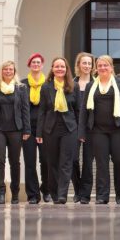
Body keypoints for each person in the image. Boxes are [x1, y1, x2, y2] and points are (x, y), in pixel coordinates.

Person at [78, 55, 120, 204]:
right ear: (96, 68)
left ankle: (119, 193)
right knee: (101, 163)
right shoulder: (91, 86)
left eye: (106, 65)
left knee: (119, 161)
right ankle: (102, 196)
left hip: (118, 130)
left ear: (111, 67)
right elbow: (84, 110)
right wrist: (82, 131)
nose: (103, 68)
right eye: (100, 65)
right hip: (97, 131)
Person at [0, 61, 31, 204]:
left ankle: (15, 193)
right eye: (5, 69)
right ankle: (1, 192)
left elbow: (25, 110)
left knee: (15, 162)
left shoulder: (21, 88)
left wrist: (27, 129)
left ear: (14, 71)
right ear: (1, 72)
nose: (8, 71)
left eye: (11, 69)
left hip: (16, 129)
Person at [36, 57, 82, 204]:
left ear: (66, 69)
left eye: (62, 66)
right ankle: (54, 193)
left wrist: (80, 131)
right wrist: (38, 132)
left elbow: (78, 111)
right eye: (57, 66)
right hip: (50, 129)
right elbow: (42, 111)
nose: (60, 69)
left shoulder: (74, 86)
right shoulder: (46, 87)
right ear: (52, 69)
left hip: (69, 129)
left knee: (66, 162)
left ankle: (63, 194)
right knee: (52, 162)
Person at [21, 53, 49, 204]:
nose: (36, 64)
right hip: (28, 129)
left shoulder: (48, 84)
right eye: (33, 62)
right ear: (29, 65)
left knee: (46, 161)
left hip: (45, 129)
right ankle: (32, 194)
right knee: (30, 162)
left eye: (38, 62)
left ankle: (46, 189)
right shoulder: (22, 84)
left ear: (42, 65)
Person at [71, 52, 95, 203]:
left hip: (91, 127)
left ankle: (85, 194)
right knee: (73, 159)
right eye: (84, 63)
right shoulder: (71, 84)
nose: (87, 66)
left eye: (89, 63)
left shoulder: (97, 83)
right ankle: (77, 189)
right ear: (78, 64)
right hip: (73, 127)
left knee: (88, 161)